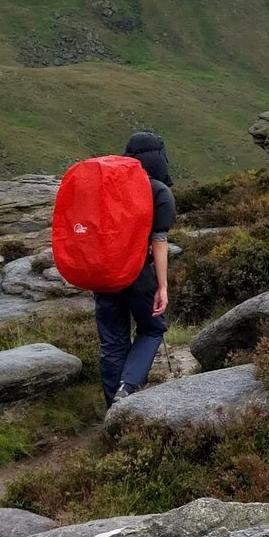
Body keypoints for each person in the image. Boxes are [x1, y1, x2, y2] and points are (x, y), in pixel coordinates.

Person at [96, 130, 176, 405]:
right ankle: (127, 390)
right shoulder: (157, 190)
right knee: (152, 328)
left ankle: (113, 407)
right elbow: (159, 241)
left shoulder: (108, 185)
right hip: (137, 274)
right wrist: (163, 286)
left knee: (112, 342)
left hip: (104, 274)